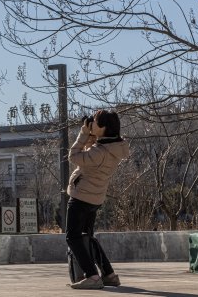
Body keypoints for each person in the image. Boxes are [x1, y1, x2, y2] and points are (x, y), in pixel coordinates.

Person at [66, 110, 130, 290]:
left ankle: (92, 276)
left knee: (73, 237)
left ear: (103, 128)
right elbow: (90, 154)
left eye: (94, 122)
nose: (91, 123)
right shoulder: (112, 148)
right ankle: (109, 274)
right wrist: (92, 136)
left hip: (81, 197)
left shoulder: (100, 152)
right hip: (95, 198)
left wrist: (83, 133)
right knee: (88, 237)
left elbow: (74, 156)